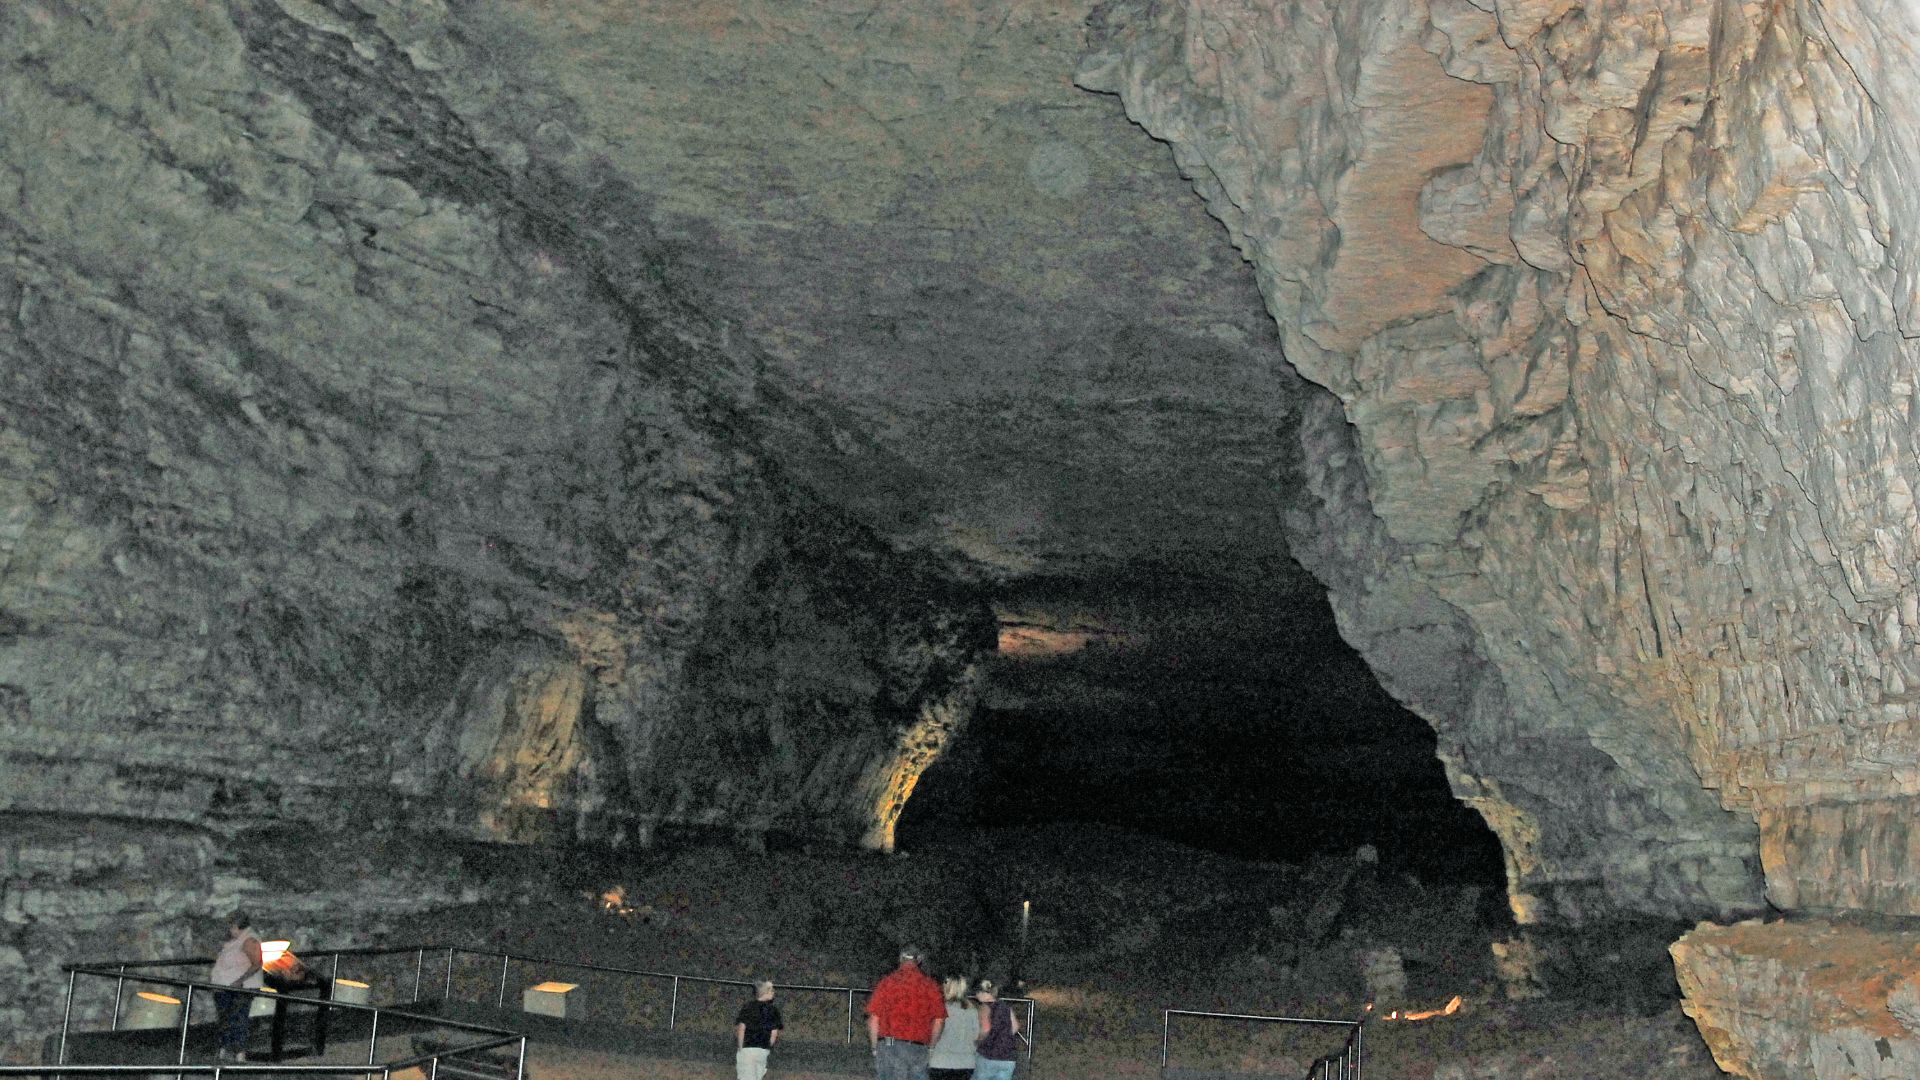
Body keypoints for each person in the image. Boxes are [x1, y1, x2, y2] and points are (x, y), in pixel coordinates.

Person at [865, 945, 946, 1080]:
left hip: (889, 1044)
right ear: (919, 960)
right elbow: (939, 1020)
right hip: (918, 1046)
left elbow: (874, 1018)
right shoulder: (930, 985)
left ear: (900, 958)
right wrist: (931, 1046)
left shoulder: (887, 982)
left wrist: (875, 1047)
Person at [209, 912, 264, 1062]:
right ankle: (224, 1049)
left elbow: (257, 963)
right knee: (226, 1018)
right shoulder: (237, 940)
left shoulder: (249, 940)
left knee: (237, 1018)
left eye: (231, 927)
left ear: (236, 926)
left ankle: (238, 1052)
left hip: (239, 988)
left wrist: (240, 980)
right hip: (226, 986)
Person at [925, 975, 976, 1080]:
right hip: (966, 1063)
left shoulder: (940, 1008)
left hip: (941, 1061)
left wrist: (930, 1049)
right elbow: (976, 1036)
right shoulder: (972, 1010)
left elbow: (934, 1033)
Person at [734, 979, 783, 1080]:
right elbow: (774, 1033)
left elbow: (741, 1029)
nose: (773, 992)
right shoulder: (773, 1010)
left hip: (747, 1048)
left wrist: (740, 1046)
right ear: (765, 993)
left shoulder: (748, 1007)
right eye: (771, 990)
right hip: (762, 1050)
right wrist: (767, 1047)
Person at [972, 979, 1021, 1080]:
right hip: (1007, 1057)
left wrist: (976, 1041)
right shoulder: (1006, 1006)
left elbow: (985, 1029)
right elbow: (1015, 1027)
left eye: (977, 993)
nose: (976, 996)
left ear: (982, 993)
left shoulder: (984, 1007)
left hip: (989, 1055)